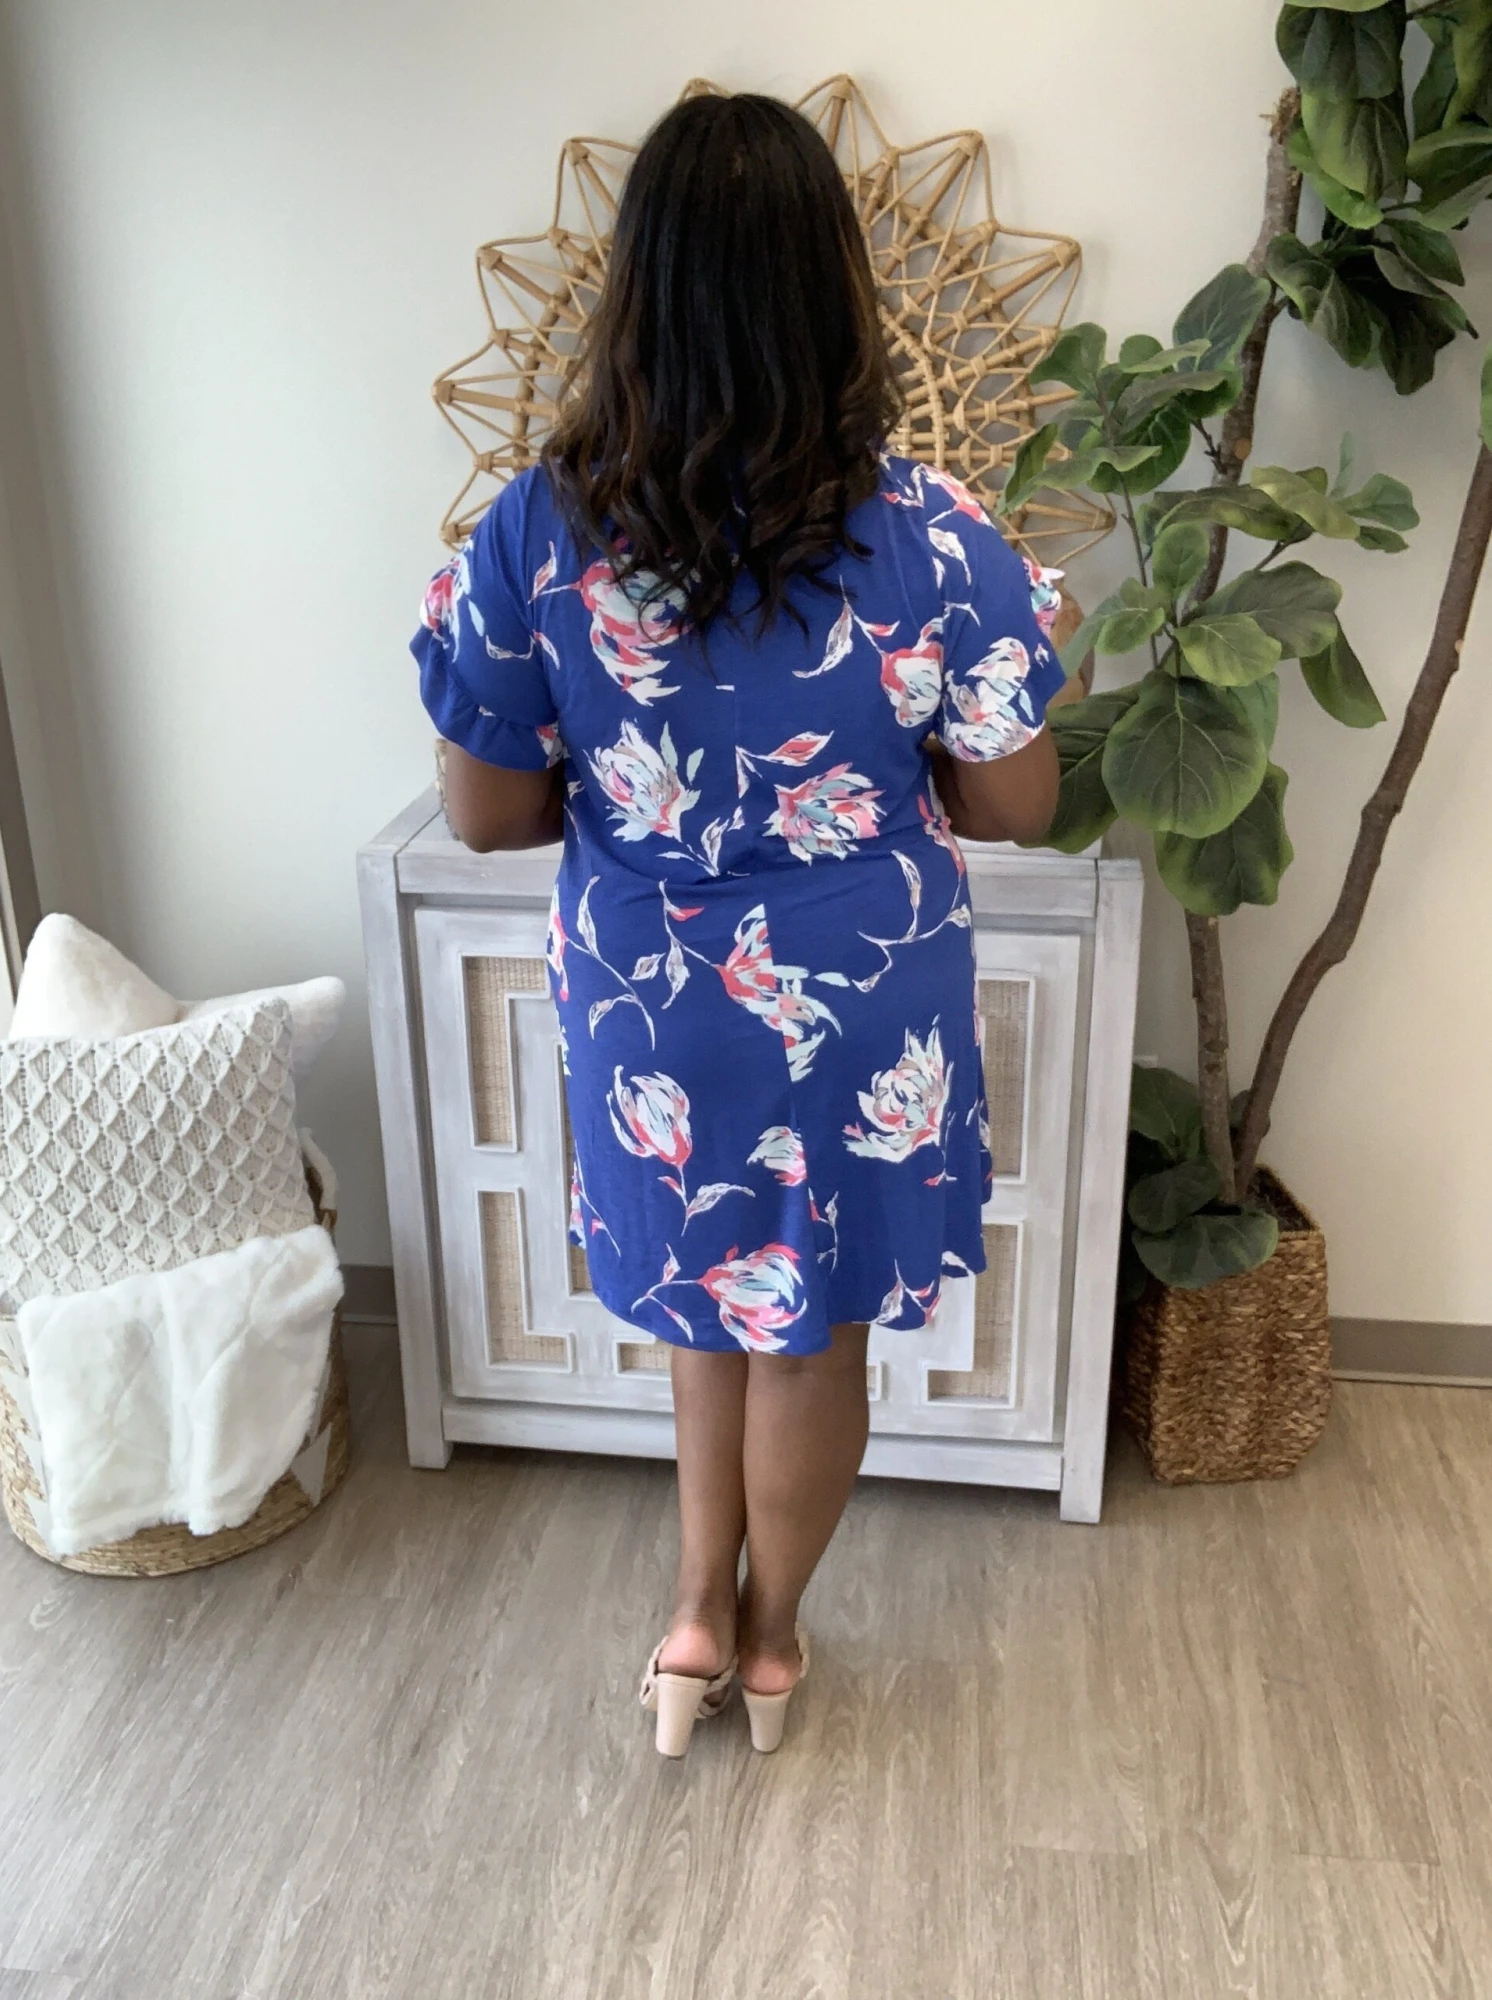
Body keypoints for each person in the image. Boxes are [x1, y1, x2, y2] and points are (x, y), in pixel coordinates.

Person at [412, 92, 1061, 1757]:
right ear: (835, 293)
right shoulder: (931, 533)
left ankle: (692, 1619)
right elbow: (1016, 804)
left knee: (709, 1309)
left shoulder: (537, 532)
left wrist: (635, 803)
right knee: (807, 1334)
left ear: (635, 290)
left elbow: (487, 812)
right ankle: (771, 1645)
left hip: (653, 988)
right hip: (860, 990)